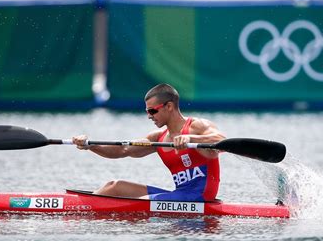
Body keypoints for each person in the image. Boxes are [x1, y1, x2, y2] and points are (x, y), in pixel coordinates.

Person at [72, 83, 226, 202]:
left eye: (152, 111)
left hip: (200, 198)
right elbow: (122, 150)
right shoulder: (158, 138)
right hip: (179, 196)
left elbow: (221, 140)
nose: (149, 116)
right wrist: (90, 145)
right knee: (114, 186)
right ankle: (82, 208)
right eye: (147, 111)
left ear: (169, 106)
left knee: (142, 202)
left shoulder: (197, 126)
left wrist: (191, 139)